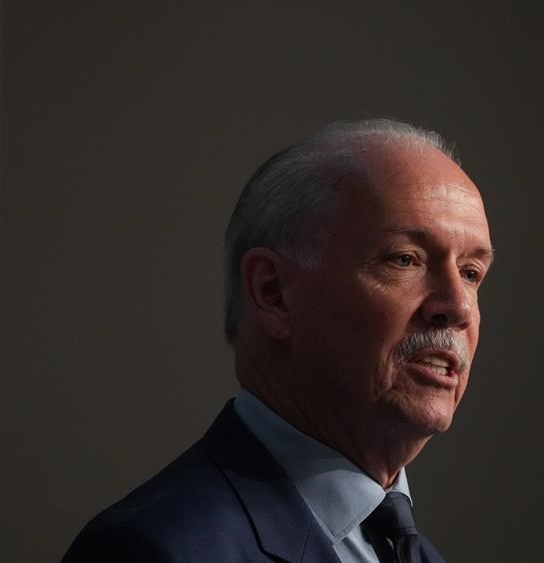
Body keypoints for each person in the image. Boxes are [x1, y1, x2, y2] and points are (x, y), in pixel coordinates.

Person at [62, 119, 494, 563]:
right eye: (405, 259)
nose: (457, 307)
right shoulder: (154, 550)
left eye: (471, 273)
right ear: (273, 293)